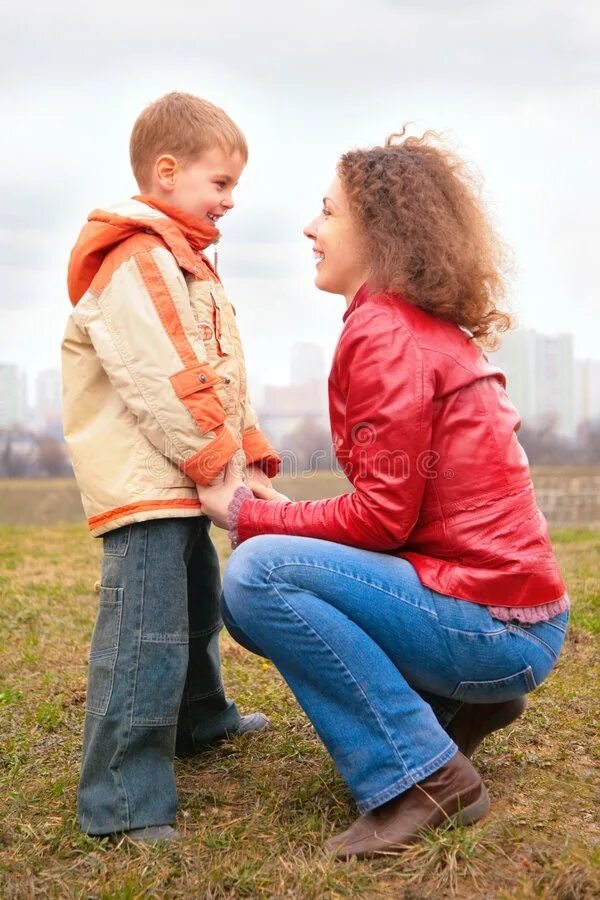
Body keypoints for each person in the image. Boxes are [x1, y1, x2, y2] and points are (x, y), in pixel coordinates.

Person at [197, 131, 569, 859]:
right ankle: (457, 708)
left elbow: (380, 518)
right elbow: (396, 504)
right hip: (509, 618)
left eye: (327, 212)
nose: (311, 228)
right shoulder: (414, 328)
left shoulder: (383, 333)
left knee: (257, 574)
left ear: (379, 230)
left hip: (496, 627)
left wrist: (249, 514)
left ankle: (420, 780)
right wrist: (276, 514)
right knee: (264, 570)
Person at [62, 92, 280, 844]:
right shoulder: (137, 257)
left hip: (184, 475)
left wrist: (247, 454)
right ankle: (122, 799)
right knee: (144, 633)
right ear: (165, 172)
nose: (229, 202)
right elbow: (164, 378)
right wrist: (220, 463)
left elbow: (216, 376)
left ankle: (200, 717)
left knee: (194, 611)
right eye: (220, 184)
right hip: (148, 483)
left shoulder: (186, 262)